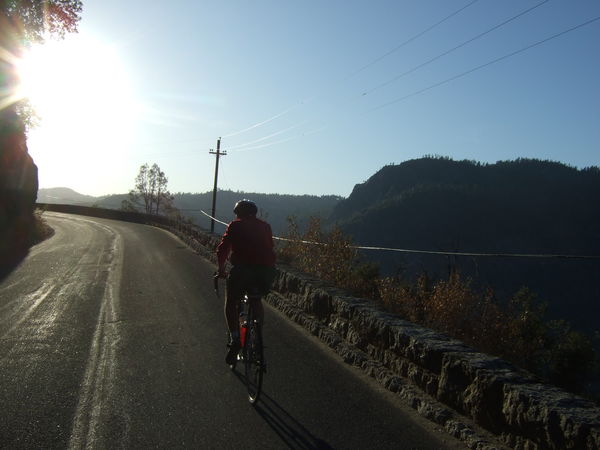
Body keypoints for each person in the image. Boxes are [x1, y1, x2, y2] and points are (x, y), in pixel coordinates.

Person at [216, 199, 276, 365]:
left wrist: (221, 269)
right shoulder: (265, 226)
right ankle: (258, 335)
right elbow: (270, 247)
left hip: (242, 271)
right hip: (265, 271)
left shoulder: (235, 225)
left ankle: (236, 339)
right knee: (256, 299)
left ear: (238, 213)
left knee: (231, 302)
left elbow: (223, 249)